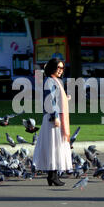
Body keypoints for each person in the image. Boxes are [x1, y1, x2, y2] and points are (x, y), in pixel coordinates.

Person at [33, 58, 72, 186]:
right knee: (54, 147)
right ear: (52, 68)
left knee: (55, 146)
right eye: (58, 68)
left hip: (55, 117)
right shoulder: (50, 81)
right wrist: (55, 116)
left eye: (62, 68)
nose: (61, 70)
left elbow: (55, 99)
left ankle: (52, 176)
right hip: (53, 119)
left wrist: (65, 98)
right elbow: (49, 101)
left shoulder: (56, 81)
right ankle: (53, 176)